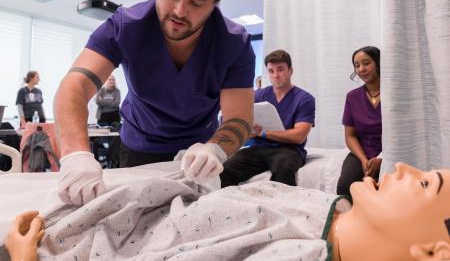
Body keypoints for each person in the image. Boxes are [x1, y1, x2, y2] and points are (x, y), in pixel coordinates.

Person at [53, 0, 255, 206]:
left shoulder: (234, 43)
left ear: (216, 2)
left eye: (197, 3)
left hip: (197, 155)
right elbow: (74, 86)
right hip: (138, 148)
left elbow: (239, 118)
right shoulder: (125, 27)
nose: (180, 11)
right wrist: (75, 154)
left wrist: (216, 149)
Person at [5, 163, 450, 261]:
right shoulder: (332, 208)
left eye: (427, 183)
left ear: (433, 252)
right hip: (132, 211)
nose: (403, 167)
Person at [220, 50, 315, 187]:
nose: (276, 75)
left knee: (283, 169)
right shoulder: (257, 96)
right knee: (225, 169)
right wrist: (247, 130)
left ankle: (281, 207)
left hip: (289, 150)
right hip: (258, 148)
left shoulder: (304, 99)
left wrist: (264, 133)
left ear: (291, 71)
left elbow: (298, 136)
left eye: (280, 70)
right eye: (271, 71)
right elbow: (236, 119)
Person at [336, 46, 382, 197]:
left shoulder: (394, 93)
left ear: (378, 63)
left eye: (366, 63)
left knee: (384, 188)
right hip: (361, 153)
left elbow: (404, 135)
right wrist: (363, 159)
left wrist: (381, 158)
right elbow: (350, 135)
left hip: (389, 153)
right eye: (357, 65)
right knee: (345, 186)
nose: (361, 69)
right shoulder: (352, 97)